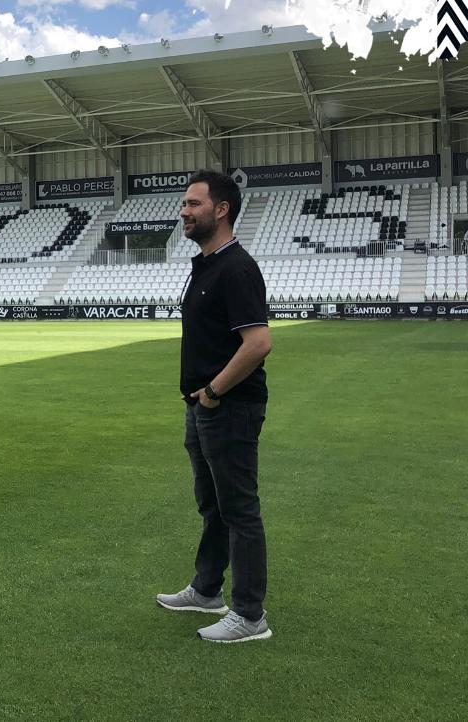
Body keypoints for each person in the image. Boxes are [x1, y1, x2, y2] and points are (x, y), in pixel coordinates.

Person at [156, 169, 274, 643]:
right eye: (184, 204)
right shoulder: (204, 265)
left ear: (220, 210)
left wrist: (212, 393)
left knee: (239, 510)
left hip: (228, 407)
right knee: (213, 507)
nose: (183, 211)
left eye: (192, 204)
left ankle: (250, 615)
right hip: (203, 409)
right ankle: (207, 590)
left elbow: (259, 342)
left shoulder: (237, 267)